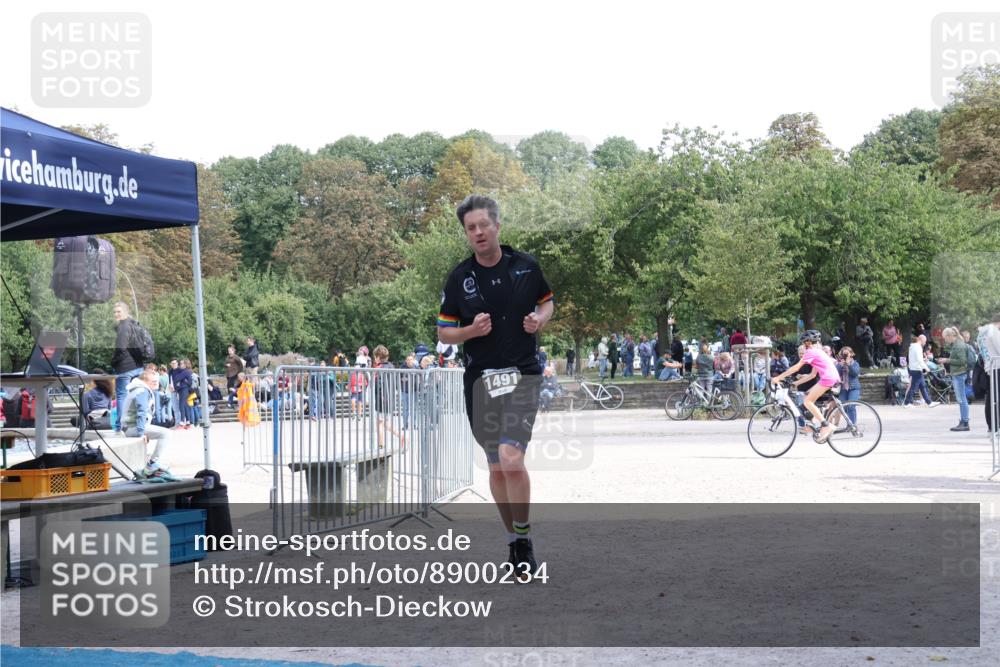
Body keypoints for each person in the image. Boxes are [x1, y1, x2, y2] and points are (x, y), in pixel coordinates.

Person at [437, 194, 554, 580]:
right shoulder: (460, 278)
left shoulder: (527, 266)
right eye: (470, 228)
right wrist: (470, 331)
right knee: (495, 466)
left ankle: (523, 540)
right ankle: (513, 540)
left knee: (511, 459)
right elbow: (443, 332)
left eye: (483, 225)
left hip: (522, 375)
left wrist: (539, 319)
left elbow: (547, 303)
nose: (478, 233)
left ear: (497, 226)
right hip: (481, 383)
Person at [771, 330, 843, 442]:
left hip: (827, 378)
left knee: (807, 401)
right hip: (830, 377)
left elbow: (796, 367)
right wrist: (796, 383)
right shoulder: (818, 351)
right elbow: (813, 374)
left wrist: (778, 377)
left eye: (804, 342)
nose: (804, 345)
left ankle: (825, 425)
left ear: (808, 342)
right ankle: (811, 425)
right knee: (807, 397)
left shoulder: (810, 352)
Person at [121, 368, 175, 479]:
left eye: (157, 380)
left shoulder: (138, 389)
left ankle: (150, 464)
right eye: (153, 381)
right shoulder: (142, 391)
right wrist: (141, 434)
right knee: (166, 433)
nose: (156, 383)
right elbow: (141, 413)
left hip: (129, 427)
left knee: (162, 433)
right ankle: (152, 464)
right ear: (145, 381)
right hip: (132, 427)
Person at [111, 302, 147, 432]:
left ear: (125, 312)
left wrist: (113, 362)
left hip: (125, 367)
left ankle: (120, 426)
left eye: (119, 312)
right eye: (115, 312)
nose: (116, 314)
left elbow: (121, 348)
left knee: (122, 396)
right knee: (138, 395)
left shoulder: (123, 326)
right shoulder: (135, 324)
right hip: (138, 366)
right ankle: (139, 424)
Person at [937, 327, 971, 432]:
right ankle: (963, 421)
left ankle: (965, 422)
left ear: (950, 336)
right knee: (961, 399)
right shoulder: (958, 344)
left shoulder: (959, 345)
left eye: (945, 338)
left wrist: (947, 360)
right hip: (958, 374)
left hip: (959, 374)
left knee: (962, 399)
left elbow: (962, 361)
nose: (945, 340)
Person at [372, 345, 404, 448]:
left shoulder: (379, 368)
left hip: (381, 399)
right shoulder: (391, 366)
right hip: (390, 398)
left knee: (380, 424)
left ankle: (381, 445)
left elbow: (378, 384)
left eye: (374, 357)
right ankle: (401, 436)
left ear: (377, 357)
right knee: (384, 423)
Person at [903, 334, 940, 409]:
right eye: (925, 341)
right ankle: (907, 403)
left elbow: (915, 359)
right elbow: (919, 360)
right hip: (917, 369)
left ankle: (929, 402)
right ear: (921, 340)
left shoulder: (912, 346)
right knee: (913, 387)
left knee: (923, 386)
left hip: (914, 368)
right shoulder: (918, 347)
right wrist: (927, 369)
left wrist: (923, 362)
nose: (925, 343)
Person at [977, 313, 1000, 434]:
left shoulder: (982, 332)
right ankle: (996, 426)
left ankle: (992, 426)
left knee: (991, 398)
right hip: (997, 366)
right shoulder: (994, 332)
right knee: (996, 398)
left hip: (989, 366)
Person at [836, 347, 862, 424]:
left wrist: (848, 365)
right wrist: (840, 365)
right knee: (844, 407)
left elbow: (855, 373)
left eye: (847, 353)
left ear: (851, 354)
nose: (846, 355)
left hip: (854, 388)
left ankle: (853, 425)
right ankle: (849, 424)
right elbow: (836, 373)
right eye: (844, 354)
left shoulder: (855, 363)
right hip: (843, 388)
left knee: (851, 406)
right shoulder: (839, 363)